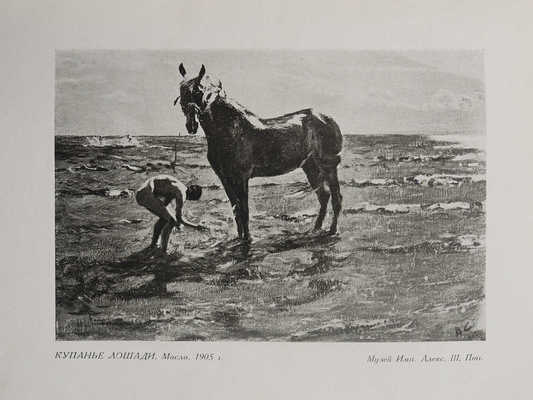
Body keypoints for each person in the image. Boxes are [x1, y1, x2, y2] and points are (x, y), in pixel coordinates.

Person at [135, 175, 205, 252]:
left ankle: (154, 245)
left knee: (165, 218)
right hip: (146, 194)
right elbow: (179, 218)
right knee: (172, 221)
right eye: (191, 199)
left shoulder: (178, 186)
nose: (189, 200)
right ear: (192, 197)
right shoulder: (182, 194)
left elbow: (166, 204)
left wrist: (176, 221)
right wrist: (196, 226)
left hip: (141, 192)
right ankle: (163, 251)